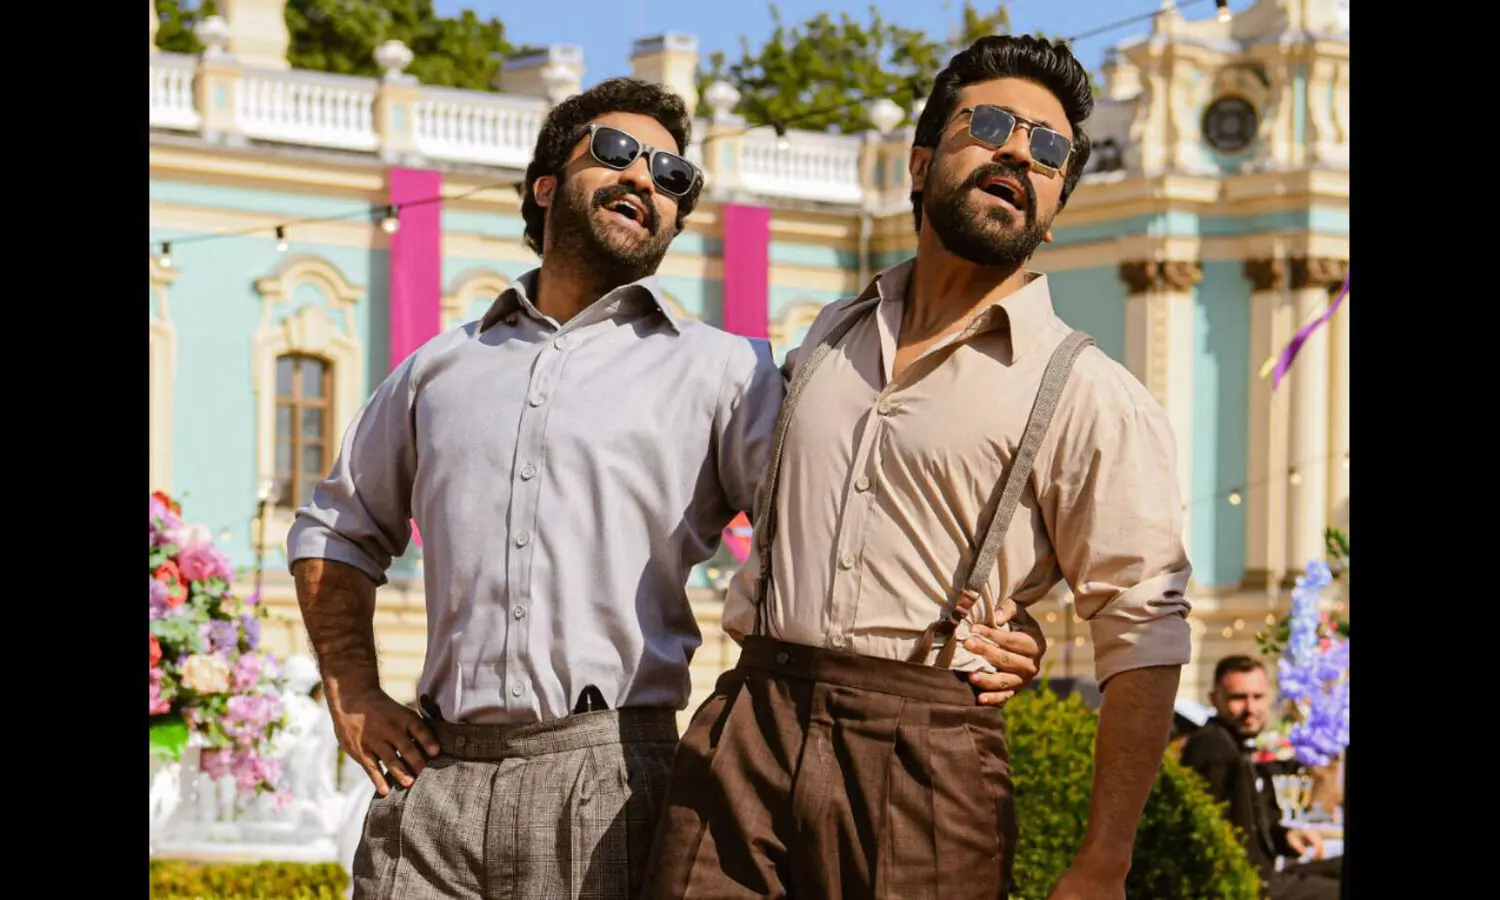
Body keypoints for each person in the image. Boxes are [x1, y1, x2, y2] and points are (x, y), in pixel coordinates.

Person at [287, 76, 1048, 900]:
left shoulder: (726, 372)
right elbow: (336, 529)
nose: (645, 179)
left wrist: (994, 623)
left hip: (609, 780)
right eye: (617, 151)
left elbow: (843, 530)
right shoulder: (438, 368)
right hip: (434, 784)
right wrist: (352, 690)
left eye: (673, 176)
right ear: (545, 185)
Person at [643, 35, 1194, 900]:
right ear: (920, 162)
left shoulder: (1092, 394)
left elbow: (1144, 628)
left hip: (928, 758)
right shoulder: (827, 336)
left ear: (1054, 209)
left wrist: (1104, 861)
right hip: (751, 723)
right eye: (992, 126)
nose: (1020, 154)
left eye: (1050, 151)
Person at [1181, 656, 1342, 900]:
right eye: (1238, 698)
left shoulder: (1234, 745)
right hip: (1253, 885)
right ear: (1213, 699)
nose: (1250, 708)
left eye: (1258, 697)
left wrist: (1285, 835)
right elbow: (1208, 836)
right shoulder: (1213, 747)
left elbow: (1249, 825)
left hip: (1269, 875)